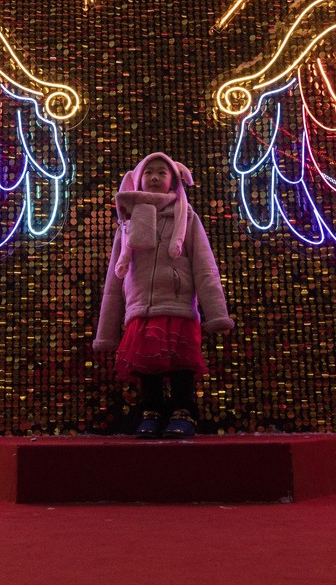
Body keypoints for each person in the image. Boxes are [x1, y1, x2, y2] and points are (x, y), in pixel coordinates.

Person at [94, 152, 233, 439]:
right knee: (147, 365)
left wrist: (216, 312)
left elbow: (204, 266)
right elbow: (113, 279)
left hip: (178, 305)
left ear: (173, 180)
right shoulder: (128, 223)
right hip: (140, 308)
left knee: (181, 363)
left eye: (162, 172)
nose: (155, 177)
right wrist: (106, 331)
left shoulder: (187, 218)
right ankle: (151, 411)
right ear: (139, 179)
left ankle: (183, 411)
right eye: (149, 172)